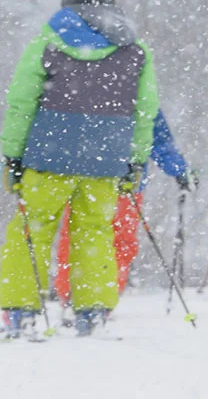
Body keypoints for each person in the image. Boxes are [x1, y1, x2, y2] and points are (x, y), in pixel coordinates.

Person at [0, 0, 159, 337]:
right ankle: (92, 311)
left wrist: (13, 155)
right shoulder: (135, 49)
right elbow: (144, 110)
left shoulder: (48, 40)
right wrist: (135, 159)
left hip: (48, 153)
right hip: (106, 156)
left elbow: (22, 102)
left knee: (31, 230)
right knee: (95, 232)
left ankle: (21, 312)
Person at [53, 109, 196, 309]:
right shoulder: (139, 88)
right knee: (119, 242)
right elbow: (159, 139)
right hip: (127, 178)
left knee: (77, 236)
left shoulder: (80, 85)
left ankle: (71, 295)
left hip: (85, 172)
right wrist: (180, 170)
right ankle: (101, 298)